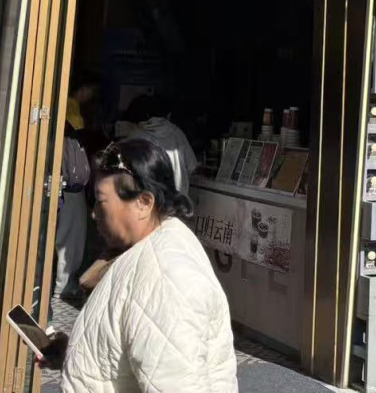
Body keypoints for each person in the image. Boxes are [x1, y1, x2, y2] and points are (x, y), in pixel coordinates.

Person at [41, 136, 236, 392]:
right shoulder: (145, 251)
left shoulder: (165, 278)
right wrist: (72, 354)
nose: (94, 213)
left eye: (101, 201)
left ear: (143, 203)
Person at [115, 93, 198, 195]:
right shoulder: (177, 133)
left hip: (148, 200)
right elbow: (192, 166)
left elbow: (122, 173)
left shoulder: (134, 136)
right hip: (177, 200)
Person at [54, 97, 91, 302]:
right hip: (69, 193)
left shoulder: (66, 140)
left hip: (67, 193)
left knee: (65, 241)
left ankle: (62, 283)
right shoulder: (70, 142)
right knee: (69, 243)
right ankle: (63, 286)